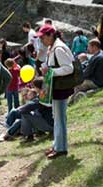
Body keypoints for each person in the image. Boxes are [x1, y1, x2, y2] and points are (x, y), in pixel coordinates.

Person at [37, 24, 74, 159]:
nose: (41, 40)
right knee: (57, 118)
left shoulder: (58, 48)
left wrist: (51, 71)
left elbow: (69, 68)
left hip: (61, 89)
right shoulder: (52, 47)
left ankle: (61, 149)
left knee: (59, 119)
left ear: (50, 35)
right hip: (56, 88)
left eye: (43, 37)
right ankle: (57, 145)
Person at [70, 39, 103, 103]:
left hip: (98, 82)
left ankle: (71, 103)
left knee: (77, 85)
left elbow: (87, 73)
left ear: (94, 47)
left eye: (89, 46)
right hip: (100, 79)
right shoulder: (101, 54)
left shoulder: (96, 58)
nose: (87, 48)